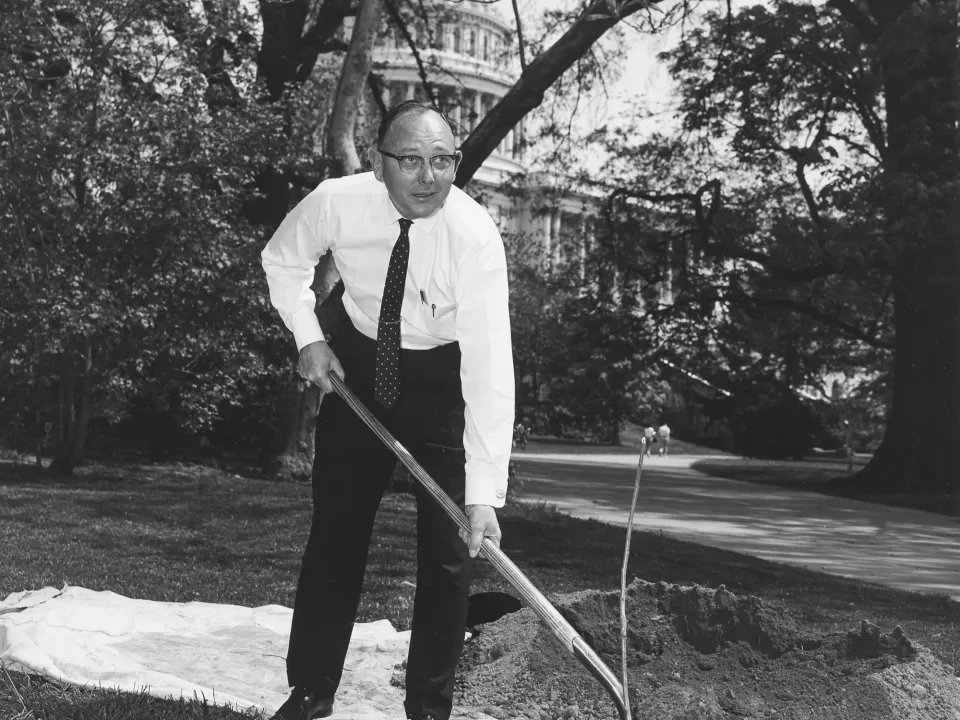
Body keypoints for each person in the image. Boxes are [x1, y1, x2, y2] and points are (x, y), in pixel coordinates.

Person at [260, 101, 514, 720]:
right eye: (411, 161)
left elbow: (488, 370)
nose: (428, 177)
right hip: (356, 360)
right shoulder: (338, 200)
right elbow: (282, 260)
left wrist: (484, 493)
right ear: (380, 165)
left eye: (442, 161)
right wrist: (308, 337)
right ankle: (311, 690)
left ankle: (429, 707)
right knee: (336, 534)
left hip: (437, 377)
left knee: (450, 552)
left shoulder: (474, 236)